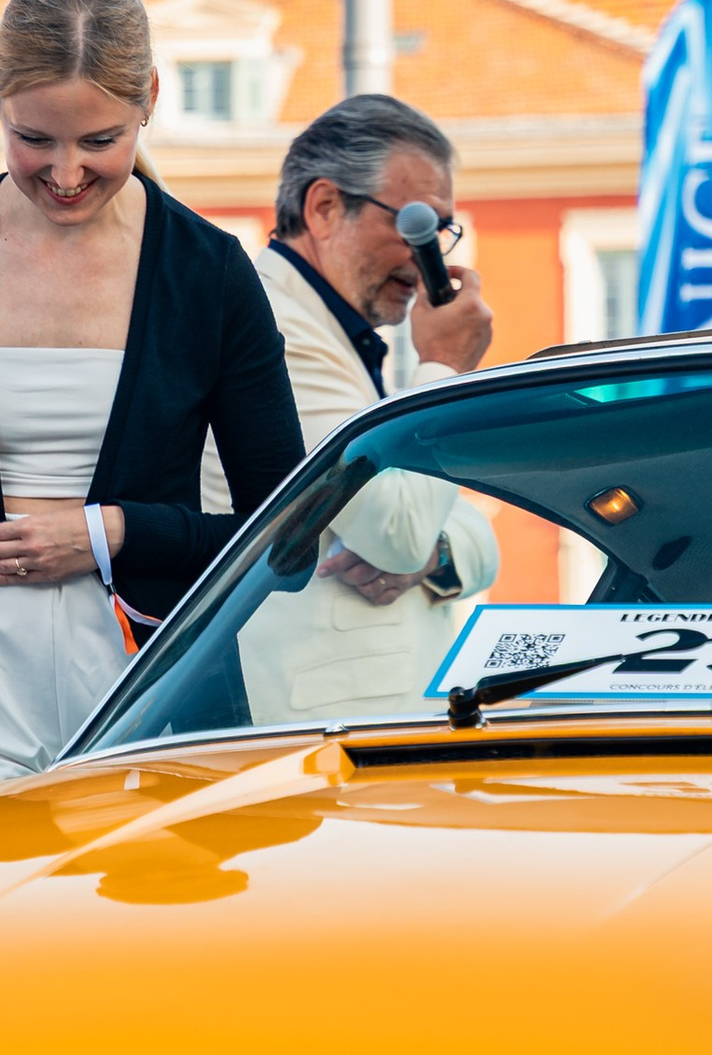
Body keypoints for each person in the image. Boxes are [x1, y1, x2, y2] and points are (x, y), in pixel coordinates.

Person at [0, 0, 304, 787]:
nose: (68, 173)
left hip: (147, 686)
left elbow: (286, 533)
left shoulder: (211, 274)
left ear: (150, 99)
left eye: (100, 142)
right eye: (35, 140)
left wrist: (115, 533)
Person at [203, 94, 504, 716]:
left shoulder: (330, 333)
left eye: (440, 233)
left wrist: (440, 553)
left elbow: (475, 535)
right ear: (324, 208)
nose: (429, 260)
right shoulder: (272, 329)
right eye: (414, 226)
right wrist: (446, 364)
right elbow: (401, 533)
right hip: (321, 732)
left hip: (363, 719)